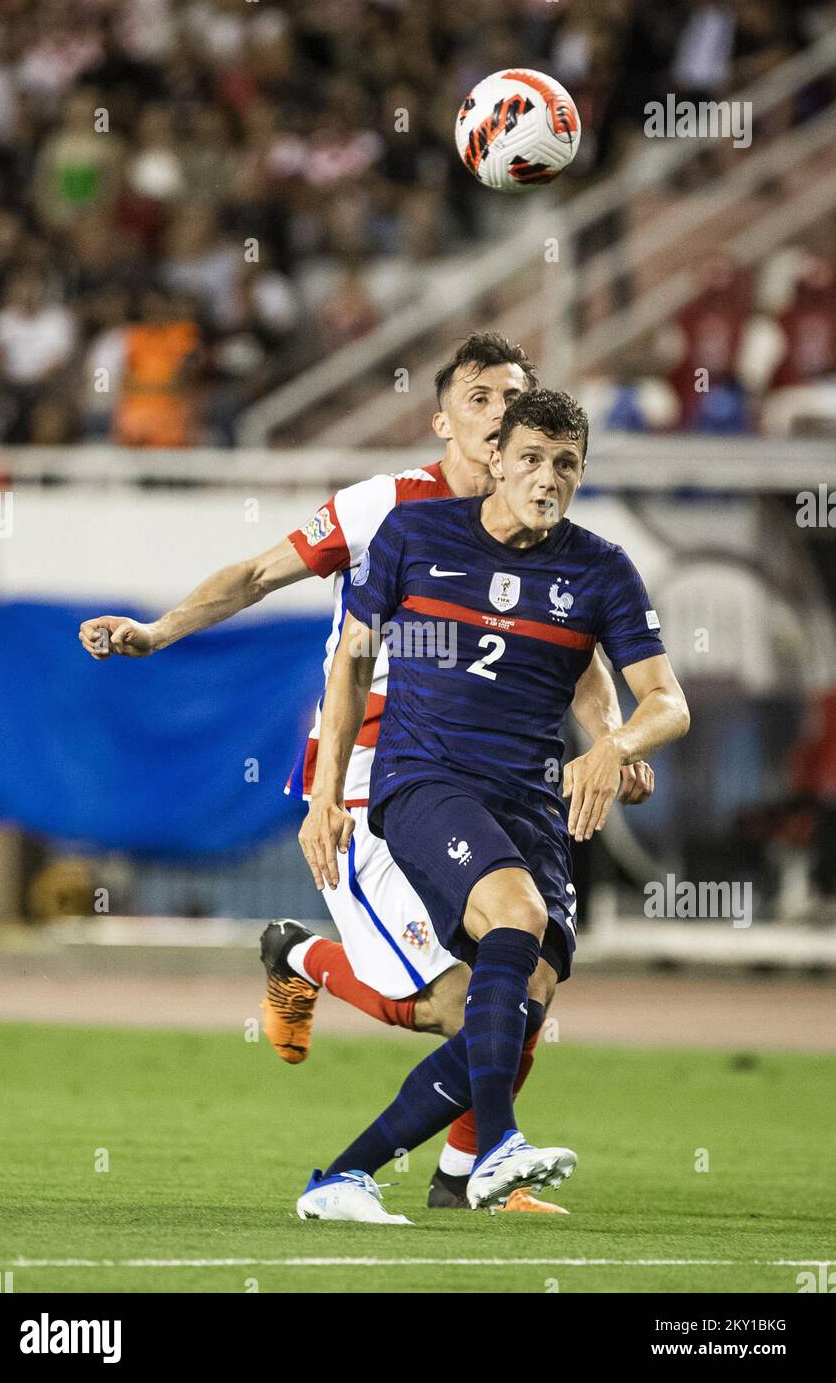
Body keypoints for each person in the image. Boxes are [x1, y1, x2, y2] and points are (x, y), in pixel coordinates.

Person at [77, 333, 654, 1211]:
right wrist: (158, 632)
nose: (501, 415)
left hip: (501, 772)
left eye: (515, 399)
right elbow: (256, 576)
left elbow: (576, 663)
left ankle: (467, 1175)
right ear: (446, 419)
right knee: (458, 1001)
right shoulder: (386, 509)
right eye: (481, 399)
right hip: (379, 772)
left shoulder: (551, 539)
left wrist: (614, 743)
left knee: (522, 976)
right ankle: (305, 962)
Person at [296, 388, 690, 1222]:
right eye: (534, 459)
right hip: (422, 782)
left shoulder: (600, 568)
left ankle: (341, 1177)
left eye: (568, 464)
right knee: (515, 915)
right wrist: (326, 796)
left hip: (531, 804)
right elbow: (351, 667)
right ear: (498, 460)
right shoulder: (413, 534)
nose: (549, 478)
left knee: (520, 1009)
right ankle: (497, 1151)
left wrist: (616, 746)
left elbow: (668, 701)